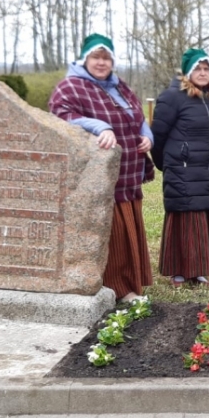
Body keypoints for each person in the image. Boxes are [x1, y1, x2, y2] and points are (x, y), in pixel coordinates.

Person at [49, 33, 154, 303]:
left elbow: (138, 115)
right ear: (85, 59)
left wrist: (147, 136)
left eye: (106, 57)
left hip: (129, 170)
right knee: (114, 233)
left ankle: (133, 281)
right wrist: (100, 126)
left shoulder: (120, 86)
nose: (101, 62)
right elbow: (61, 115)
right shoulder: (70, 86)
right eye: (96, 57)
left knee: (129, 225)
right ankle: (119, 289)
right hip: (101, 176)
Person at [150, 48, 209, 288]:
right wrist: (167, 164)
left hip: (207, 168)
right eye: (198, 69)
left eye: (206, 69)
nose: (202, 73)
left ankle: (199, 270)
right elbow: (157, 136)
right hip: (183, 168)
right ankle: (179, 271)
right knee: (186, 219)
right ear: (188, 72)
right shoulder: (172, 97)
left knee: (202, 217)